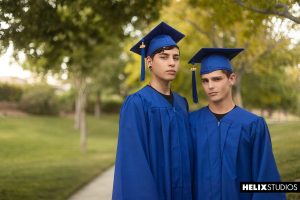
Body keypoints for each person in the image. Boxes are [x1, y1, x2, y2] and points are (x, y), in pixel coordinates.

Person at [188, 48, 285, 200]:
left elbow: (265, 176)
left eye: (216, 79)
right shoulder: (191, 123)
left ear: (232, 79)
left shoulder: (252, 124)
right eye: (205, 80)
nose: (210, 86)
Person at [112, 22, 193, 200]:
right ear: (148, 62)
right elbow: (133, 163)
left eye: (176, 57)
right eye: (164, 57)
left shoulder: (182, 104)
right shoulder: (136, 104)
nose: (172, 63)